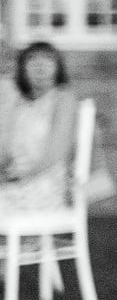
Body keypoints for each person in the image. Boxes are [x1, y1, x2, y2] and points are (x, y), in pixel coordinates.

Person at [0, 43, 80, 215]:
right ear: (22, 69)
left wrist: (24, 175)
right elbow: (4, 150)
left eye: (48, 58)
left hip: (44, 185)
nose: (40, 64)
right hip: (13, 182)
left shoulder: (63, 98)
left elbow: (58, 150)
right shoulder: (18, 104)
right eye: (32, 59)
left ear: (58, 67)